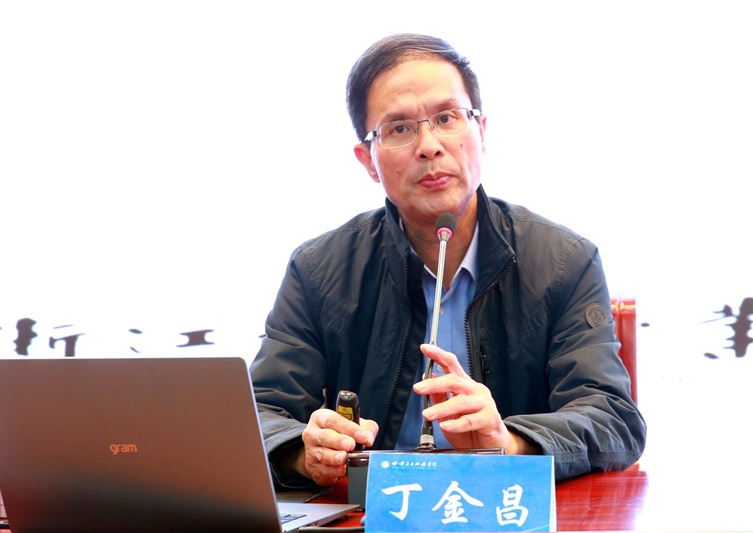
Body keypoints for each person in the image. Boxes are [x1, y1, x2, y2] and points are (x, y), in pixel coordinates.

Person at [250, 33, 646, 489]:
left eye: (447, 118)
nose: (429, 145)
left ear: (481, 131)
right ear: (368, 161)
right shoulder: (319, 271)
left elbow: (612, 418)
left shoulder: (563, 262)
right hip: (374, 510)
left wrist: (509, 442)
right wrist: (304, 453)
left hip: (507, 508)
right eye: (399, 129)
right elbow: (259, 412)